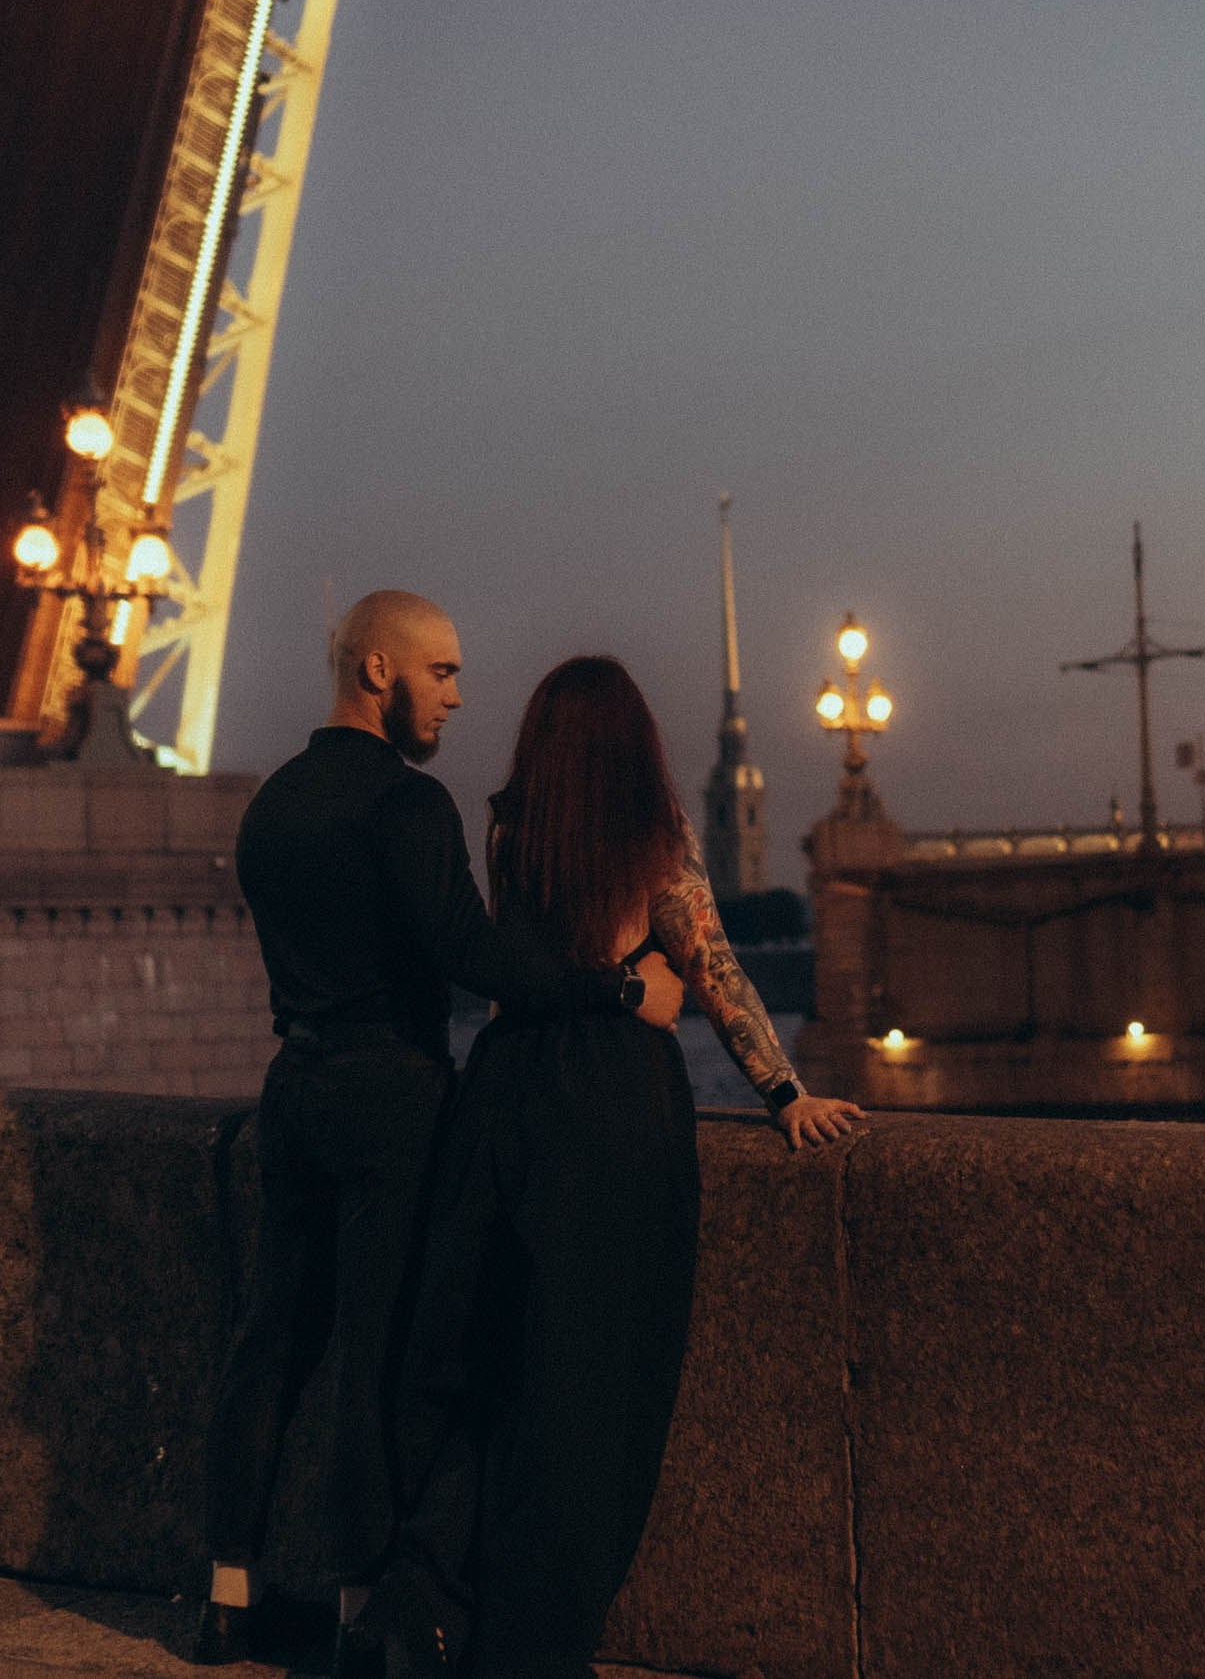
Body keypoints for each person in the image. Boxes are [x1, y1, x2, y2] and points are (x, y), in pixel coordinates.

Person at [195, 595, 685, 1674]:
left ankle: (226, 1596)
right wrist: (613, 992)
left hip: (294, 1087)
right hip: (391, 1099)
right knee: (381, 1358)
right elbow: (478, 958)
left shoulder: (269, 805)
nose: (458, 697)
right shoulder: (406, 807)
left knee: (269, 1339)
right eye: (443, 674)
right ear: (381, 671)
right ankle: (361, 1611)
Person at [373, 655, 865, 1678]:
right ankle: (546, 1638)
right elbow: (715, 972)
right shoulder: (658, 842)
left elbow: (521, 968)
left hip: (507, 1092)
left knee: (493, 1365)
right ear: (635, 742)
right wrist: (785, 1094)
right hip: (614, 1104)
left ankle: (443, 1610)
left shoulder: (511, 830)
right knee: (598, 1383)